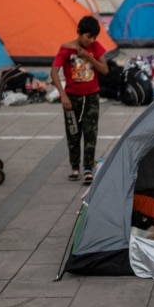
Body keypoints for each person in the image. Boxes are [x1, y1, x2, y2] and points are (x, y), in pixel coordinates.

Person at [50, 16, 109, 184]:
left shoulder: (96, 48)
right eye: (88, 36)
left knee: (90, 132)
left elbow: (105, 70)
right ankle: (75, 166)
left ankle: (88, 168)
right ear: (79, 32)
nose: (91, 40)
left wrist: (89, 57)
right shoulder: (66, 49)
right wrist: (62, 94)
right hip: (72, 98)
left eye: (94, 37)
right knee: (73, 132)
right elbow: (54, 72)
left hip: (91, 97)